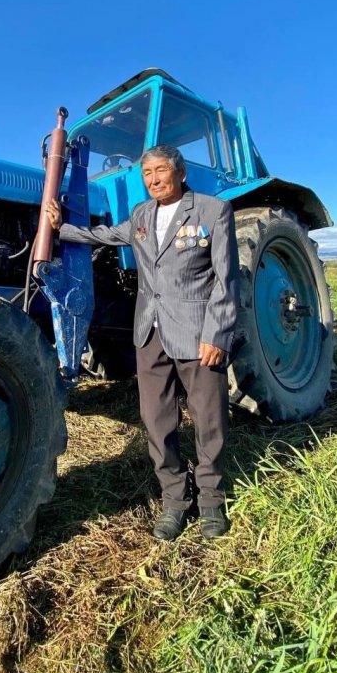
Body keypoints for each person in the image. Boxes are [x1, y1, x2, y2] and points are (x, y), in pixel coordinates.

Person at [45, 144, 239, 540]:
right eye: (147, 173)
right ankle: (175, 500)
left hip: (198, 333)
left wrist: (216, 334)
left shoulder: (212, 210)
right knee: (156, 419)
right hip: (150, 331)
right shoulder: (141, 215)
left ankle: (211, 500)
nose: (153, 179)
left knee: (209, 419)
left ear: (180, 173)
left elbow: (226, 280)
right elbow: (105, 235)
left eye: (161, 170)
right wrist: (60, 227)